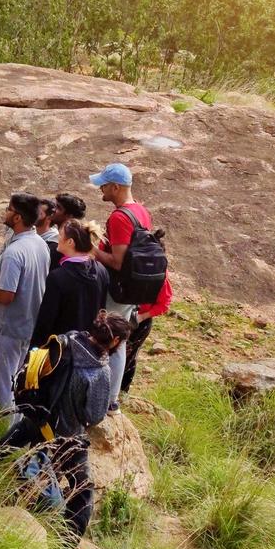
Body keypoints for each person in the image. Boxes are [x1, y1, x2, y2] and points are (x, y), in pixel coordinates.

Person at [1, 310, 132, 549]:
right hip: (66, 434)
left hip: (38, 414)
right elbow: (94, 416)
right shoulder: (99, 371)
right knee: (82, 490)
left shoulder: (67, 339)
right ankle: (67, 545)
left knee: (11, 441)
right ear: (114, 342)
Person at [89, 163, 173, 411]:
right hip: (133, 289)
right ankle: (112, 397)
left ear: (115, 187)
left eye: (103, 185)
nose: (100, 189)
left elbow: (117, 261)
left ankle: (106, 398)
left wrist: (91, 249)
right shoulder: (140, 211)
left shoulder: (119, 217)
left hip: (118, 290)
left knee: (109, 338)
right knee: (120, 339)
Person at [0, 193, 49, 415]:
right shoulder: (40, 243)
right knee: (17, 384)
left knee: (4, 388)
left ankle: (8, 441)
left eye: (9, 209)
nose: (6, 213)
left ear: (18, 217)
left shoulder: (14, 253)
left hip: (9, 328)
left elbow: (6, 296)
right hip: (29, 324)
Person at [30, 219, 110, 343]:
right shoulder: (101, 270)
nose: (57, 238)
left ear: (70, 242)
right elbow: (102, 311)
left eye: (60, 235)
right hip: (90, 345)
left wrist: (35, 349)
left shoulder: (58, 277)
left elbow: (46, 319)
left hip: (62, 347)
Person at [37, 191, 88, 266]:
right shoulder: (58, 238)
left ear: (69, 216)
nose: (53, 209)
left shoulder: (60, 246)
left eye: (58, 207)